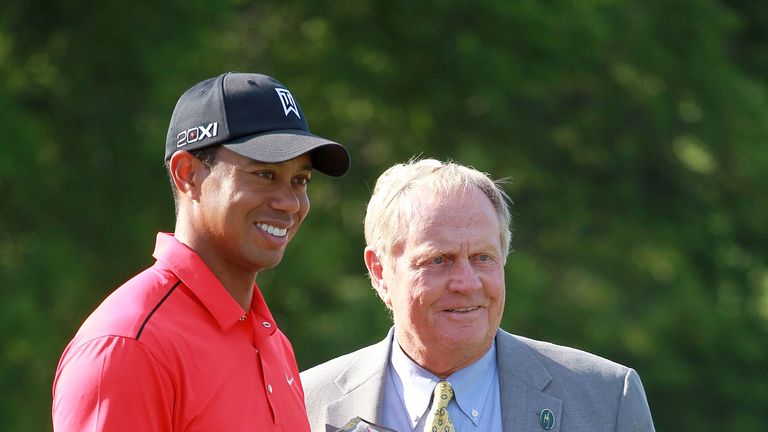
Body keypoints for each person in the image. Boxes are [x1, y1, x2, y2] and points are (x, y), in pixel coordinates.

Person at [52, 72, 350, 431]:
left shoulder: (273, 342)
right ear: (187, 174)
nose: (289, 202)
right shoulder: (130, 345)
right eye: (265, 174)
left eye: (299, 180)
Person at [301, 158, 655, 432]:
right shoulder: (305, 404)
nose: (466, 283)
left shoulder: (606, 401)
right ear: (379, 271)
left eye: (482, 258)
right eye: (439, 260)